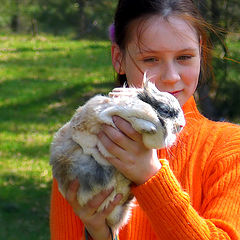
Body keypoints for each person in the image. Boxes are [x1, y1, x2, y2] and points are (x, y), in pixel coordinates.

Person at [50, 0, 240, 239]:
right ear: (118, 58)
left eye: (184, 57)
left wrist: (150, 176)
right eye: (151, 59)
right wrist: (99, 233)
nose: (171, 77)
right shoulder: (82, 145)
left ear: (200, 52)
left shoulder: (230, 149)